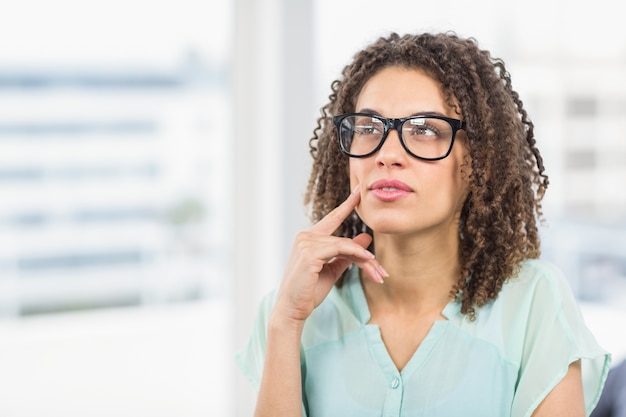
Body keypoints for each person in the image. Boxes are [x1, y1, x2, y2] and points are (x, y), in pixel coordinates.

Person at [236, 31, 611, 417]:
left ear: (478, 161)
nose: (388, 154)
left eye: (426, 129)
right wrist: (285, 325)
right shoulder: (293, 311)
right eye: (368, 128)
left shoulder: (534, 303)